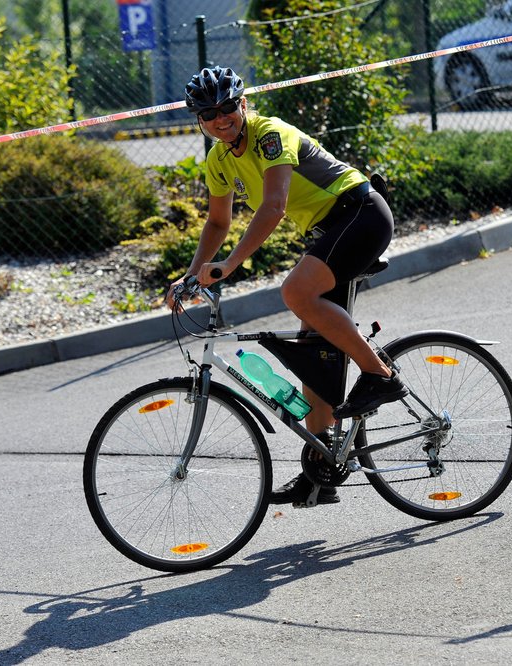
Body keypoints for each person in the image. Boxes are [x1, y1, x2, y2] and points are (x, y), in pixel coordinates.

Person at [165, 66, 408, 506]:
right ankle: (322, 468)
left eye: (227, 108)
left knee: (295, 292)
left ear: (242, 104)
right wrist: (191, 275)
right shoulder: (219, 160)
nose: (221, 119)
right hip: (330, 231)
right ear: (198, 120)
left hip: (361, 213)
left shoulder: (269, 134)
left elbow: (274, 206)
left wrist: (230, 265)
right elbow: (218, 222)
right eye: (208, 113)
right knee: (315, 355)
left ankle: (379, 376)